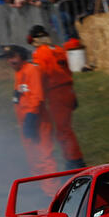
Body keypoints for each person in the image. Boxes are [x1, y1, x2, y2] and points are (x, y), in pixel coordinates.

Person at [27, 25, 83, 169]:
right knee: (66, 128)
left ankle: (74, 161)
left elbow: (41, 74)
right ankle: (74, 159)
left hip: (55, 92)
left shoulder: (40, 53)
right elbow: (68, 71)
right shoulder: (58, 49)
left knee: (63, 130)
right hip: (67, 90)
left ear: (34, 40)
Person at [7, 46, 55, 187]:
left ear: (22, 57)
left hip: (37, 120)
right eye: (9, 58)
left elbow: (37, 96)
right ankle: (42, 188)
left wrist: (31, 117)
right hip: (26, 121)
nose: (11, 61)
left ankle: (52, 192)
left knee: (44, 156)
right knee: (33, 156)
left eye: (14, 57)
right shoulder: (19, 72)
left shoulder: (31, 70)